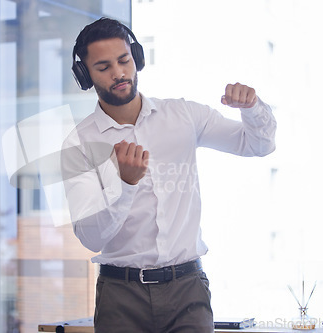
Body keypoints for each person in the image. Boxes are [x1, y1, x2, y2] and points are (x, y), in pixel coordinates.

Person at [62, 17, 276, 333]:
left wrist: (252, 108)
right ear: (85, 75)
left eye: (124, 60)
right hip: (120, 296)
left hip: (187, 288)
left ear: (137, 58)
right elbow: (90, 239)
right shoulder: (79, 142)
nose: (119, 73)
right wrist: (124, 184)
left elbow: (259, 145)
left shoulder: (184, 115)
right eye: (104, 67)